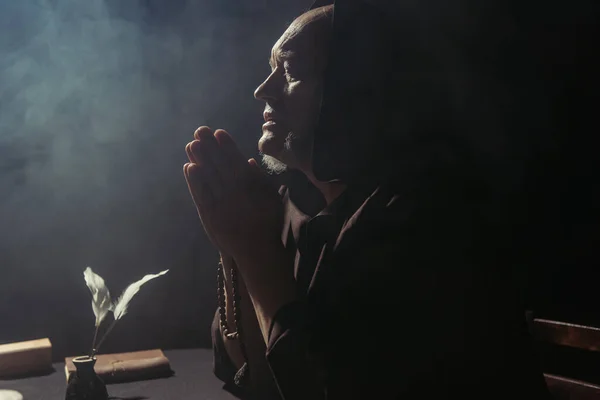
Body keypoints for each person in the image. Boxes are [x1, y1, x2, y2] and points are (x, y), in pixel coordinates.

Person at [183, 1, 553, 399]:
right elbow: (241, 371)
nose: (263, 90)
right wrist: (235, 242)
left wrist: (255, 254)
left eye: (290, 70)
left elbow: (323, 388)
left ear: (354, 91)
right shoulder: (303, 212)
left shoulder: (422, 223)